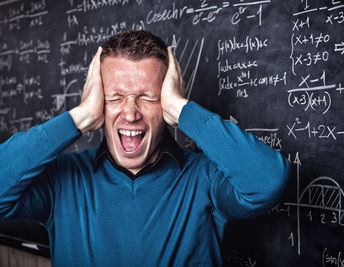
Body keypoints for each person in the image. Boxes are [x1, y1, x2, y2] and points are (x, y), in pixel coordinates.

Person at [0, 30, 289, 266]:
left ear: (166, 100)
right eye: (115, 96)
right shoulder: (64, 179)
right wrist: (79, 117)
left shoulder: (204, 178)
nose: (130, 113)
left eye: (147, 97)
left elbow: (268, 182)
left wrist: (182, 110)